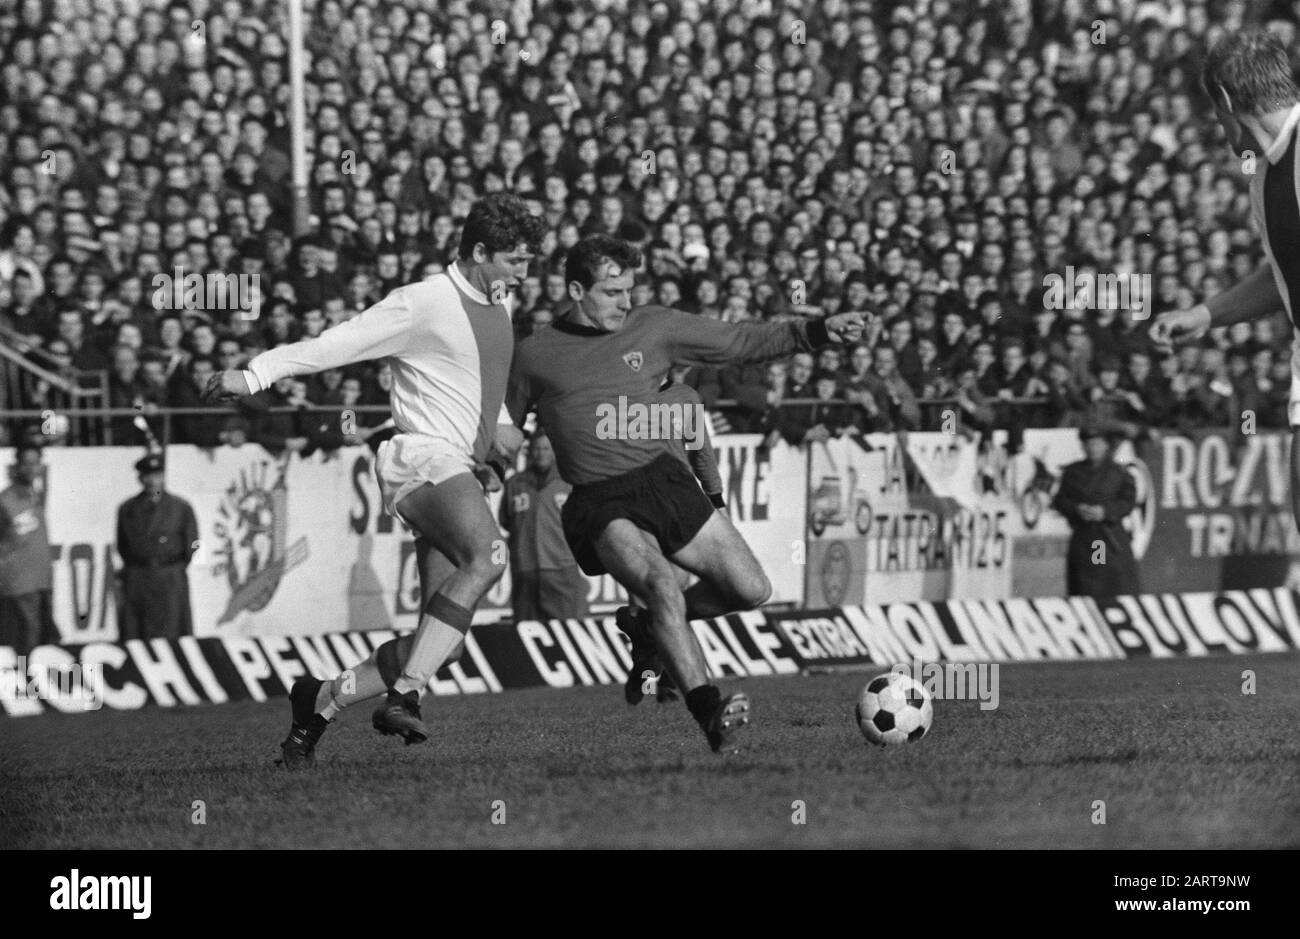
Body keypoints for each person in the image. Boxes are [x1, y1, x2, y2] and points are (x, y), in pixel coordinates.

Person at [203, 193, 546, 769]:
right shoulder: (423, 302)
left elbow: (482, 378)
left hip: (457, 465)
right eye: (515, 259)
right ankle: (406, 694)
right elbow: (336, 344)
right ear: (480, 251)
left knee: (446, 644)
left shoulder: (499, 300)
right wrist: (255, 374)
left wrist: (503, 426)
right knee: (488, 556)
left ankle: (320, 701)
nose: (524, 271)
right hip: (420, 458)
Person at [507, 234, 864, 752]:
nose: (625, 302)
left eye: (629, 290)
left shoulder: (655, 326)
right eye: (612, 292)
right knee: (661, 584)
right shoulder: (534, 355)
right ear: (578, 289)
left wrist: (818, 332)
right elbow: (505, 426)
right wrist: (487, 465)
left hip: (664, 481)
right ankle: (708, 710)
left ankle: (646, 628)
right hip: (600, 498)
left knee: (751, 590)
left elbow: (741, 342)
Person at [1151, 29, 1300, 532]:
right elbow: (1286, 269)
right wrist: (1208, 314)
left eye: (1214, 108)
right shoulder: (1264, 173)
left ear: (1226, 99)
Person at [498, 430, 590, 623]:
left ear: (555, 451)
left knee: (570, 628)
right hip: (525, 570)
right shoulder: (515, 483)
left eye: (546, 448)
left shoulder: (569, 482)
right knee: (527, 630)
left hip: (561, 569)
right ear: (529, 452)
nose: (541, 453)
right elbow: (506, 521)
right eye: (537, 448)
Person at [115, 453, 200, 641]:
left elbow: (193, 542)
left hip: (169, 575)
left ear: (163, 476)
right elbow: (122, 544)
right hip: (139, 576)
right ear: (140, 478)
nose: (152, 481)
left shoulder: (180, 507)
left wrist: (175, 565)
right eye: (147, 476)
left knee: (171, 630)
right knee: (137, 633)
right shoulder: (128, 509)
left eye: (157, 475)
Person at [1051, 421, 1139, 601]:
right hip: (1085, 536)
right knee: (1086, 584)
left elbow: (1127, 501)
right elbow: (1061, 500)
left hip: (1103, 538)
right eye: (1088, 444)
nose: (1092, 448)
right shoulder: (1074, 472)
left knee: (1101, 578)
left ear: (1106, 445)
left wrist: (1105, 512)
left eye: (1097, 443)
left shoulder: (1118, 473)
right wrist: (1077, 509)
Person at [0, 444, 57, 653]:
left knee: (45, 636)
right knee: (28, 638)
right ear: (17, 466)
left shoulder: (35, 494)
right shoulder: (6, 499)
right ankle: (25, 683)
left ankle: (38, 682)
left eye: (35, 463)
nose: (31, 468)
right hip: (19, 582)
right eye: (26, 463)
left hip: (41, 578)